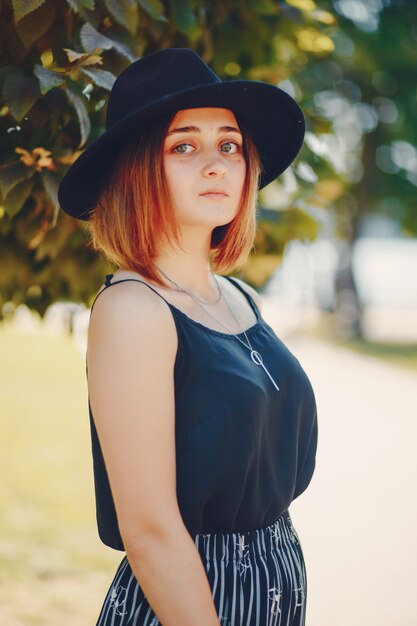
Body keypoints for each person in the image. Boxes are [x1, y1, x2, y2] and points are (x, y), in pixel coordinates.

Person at [58, 48, 318, 626]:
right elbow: (150, 530)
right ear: (135, 169)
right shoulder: (134, 310)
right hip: (190, 601)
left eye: (229, 144)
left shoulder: (239, 298)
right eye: (183, 146)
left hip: (274, 589)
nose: (216, 163)